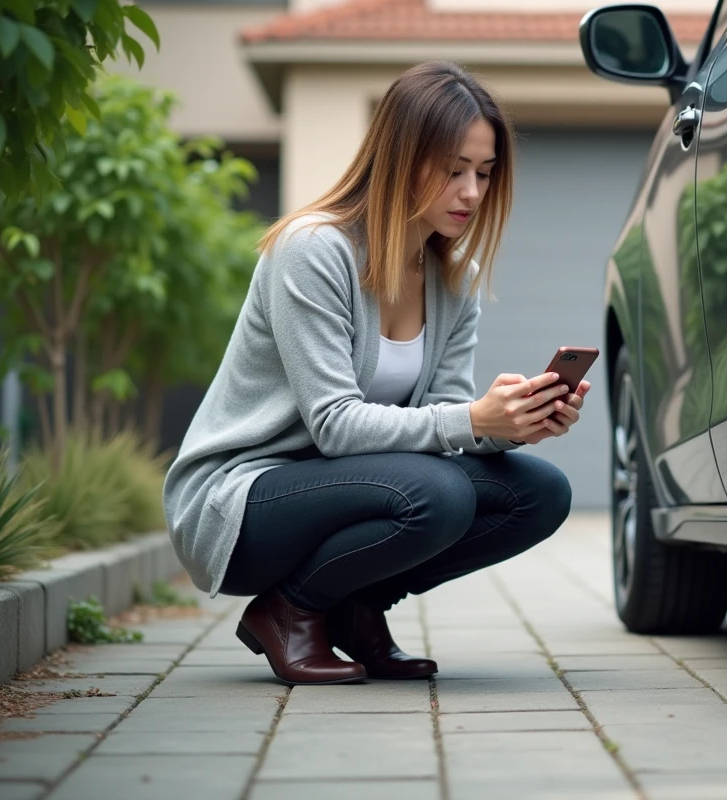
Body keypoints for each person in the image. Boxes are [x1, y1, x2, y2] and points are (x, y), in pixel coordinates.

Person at [162, 61, 589, 687]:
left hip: (355, 491)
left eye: (484, 172)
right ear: (400, 160)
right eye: (453, 170)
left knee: (540, 492)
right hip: (242, 502)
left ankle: (357, 607)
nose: (472, 192)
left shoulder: (452, 281)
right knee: (437, 494)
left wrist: (508, 424)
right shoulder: (313, 250)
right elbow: (334, 426)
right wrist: (471, 419)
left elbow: (441, 424)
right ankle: (291, 609)